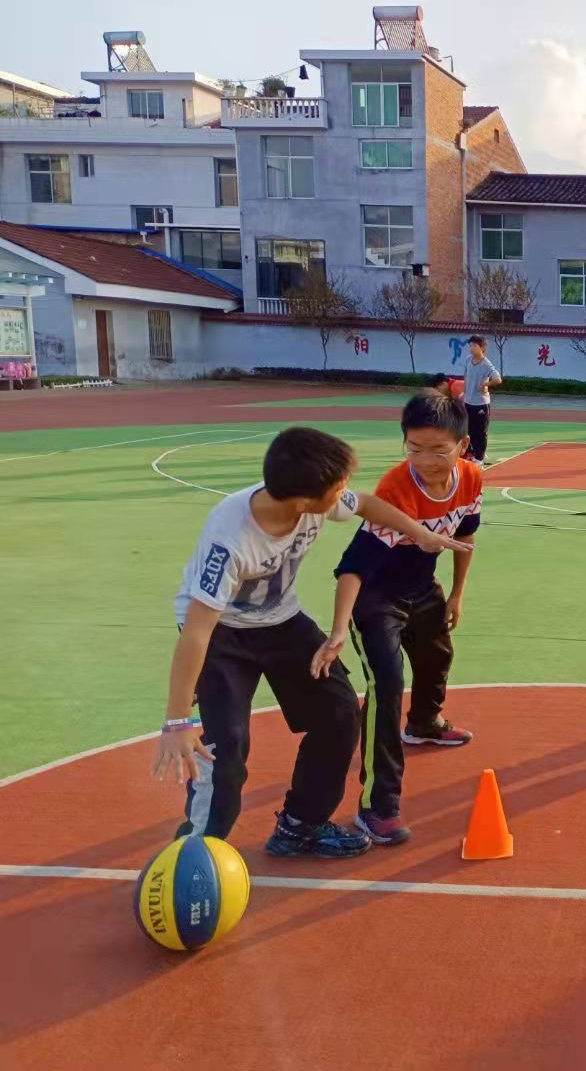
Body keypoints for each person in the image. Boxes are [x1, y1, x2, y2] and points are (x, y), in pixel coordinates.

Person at [153, 427, 472, 859]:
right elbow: (197, 629)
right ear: (304, 502)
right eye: (339, 487)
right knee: (226, 744)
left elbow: (367, 503)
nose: (345, 491)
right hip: (222, 632)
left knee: (338, 712)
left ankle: (300, 824)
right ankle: (197, 849)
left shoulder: (312, 497)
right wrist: (176, 721)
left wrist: (420, 533)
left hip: (280, 620)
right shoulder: (230, 539)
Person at [312, 394, 482, 845]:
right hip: (375, 597)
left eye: (438, 450)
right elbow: (352, 567)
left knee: (437, 655)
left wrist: (457, 593)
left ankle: (424, 723)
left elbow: (466, 536)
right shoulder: (395, 490)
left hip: (423, 587)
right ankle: (377, 806)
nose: (425, 460)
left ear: (462, 446)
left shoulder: (471, 478)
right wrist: (338, 630)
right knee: (386, 686)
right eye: (414, 448)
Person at [461, 335, 503, 463]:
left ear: (482, 347)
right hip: (468, 402)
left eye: (474, 346)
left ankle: (480, 458)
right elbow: (466, 376)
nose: (471, 348)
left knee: (480, 431)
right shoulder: (468, 360)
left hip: (481, 404)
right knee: (468, 430)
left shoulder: (486, 364)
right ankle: (471, 453)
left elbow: (498, 379)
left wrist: (486, 384)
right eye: (470, 346)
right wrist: (465, 393)